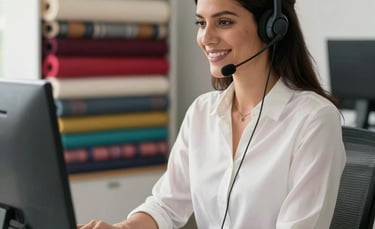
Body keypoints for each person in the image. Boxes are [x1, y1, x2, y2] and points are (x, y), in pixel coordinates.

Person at [77, 0, 346, 228]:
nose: (206, 38)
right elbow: (167, 205)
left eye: (224, 22)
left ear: (272, 28)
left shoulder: (314, 119)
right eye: (201, 23)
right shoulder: (202, 113)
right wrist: (122, 227)